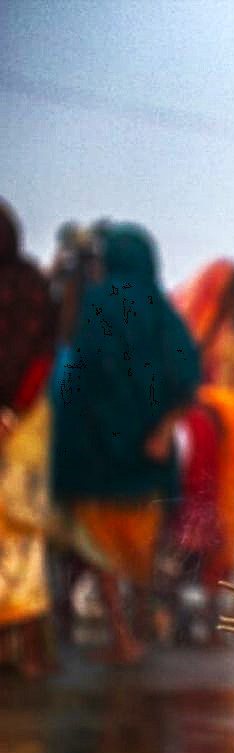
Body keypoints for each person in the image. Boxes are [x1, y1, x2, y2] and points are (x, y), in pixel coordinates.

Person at [49, 222, 200, 662]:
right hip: (146, 453)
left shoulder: (95, 304)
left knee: (101, 544)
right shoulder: (161, 311)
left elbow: (78, 371)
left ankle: (121, 633)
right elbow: (187, 377)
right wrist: (160, 430)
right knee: (141, 540)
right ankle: (138, 625)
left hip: (94, 448)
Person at [168, 259, 234, 634]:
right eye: (229, 294)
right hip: (200, 429)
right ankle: (190, 599)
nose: (232, 302)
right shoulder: (192, 330)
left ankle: (207, 597)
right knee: (199, 509)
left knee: (222, 508)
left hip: (229, 429)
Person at [0, 198, 58, 677]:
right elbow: (45, 353)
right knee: (21, 536)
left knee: (15, 535)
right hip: (28, 421)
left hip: (21, 421)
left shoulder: (31, 287)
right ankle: (28, 651)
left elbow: (42, 353)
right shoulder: (35, 285)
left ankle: (25, 650)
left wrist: (11, 410)